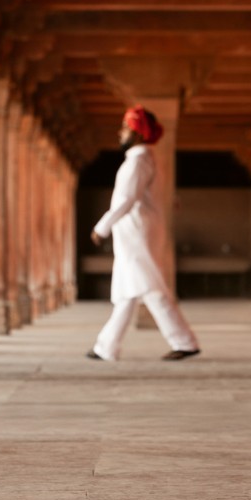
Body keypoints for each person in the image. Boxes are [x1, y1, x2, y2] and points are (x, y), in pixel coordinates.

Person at [87, 106, 200, 363]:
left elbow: (126, 199)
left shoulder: (137, 161)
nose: (121, 132)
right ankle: (106, 347)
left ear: (137, 133)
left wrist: (101, 227)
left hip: (136, 234)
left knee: (151, 289)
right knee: (130, 291)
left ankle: (185, 341)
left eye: (126, 127)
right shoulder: (148, 160)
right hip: (139, 233)